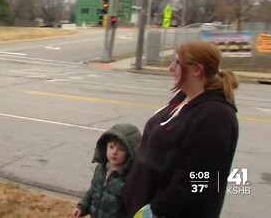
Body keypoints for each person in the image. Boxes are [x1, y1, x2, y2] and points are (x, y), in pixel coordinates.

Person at [122, 40, 239, 218]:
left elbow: (198, 181)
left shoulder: (215, 116)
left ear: (197, 70)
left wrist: (155, 211)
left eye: (177, 62)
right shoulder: (183, 99)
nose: (170, 67)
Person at [72, 124, 142, 218]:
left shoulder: (130, 179)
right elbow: (93, 191)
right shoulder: (101, 169)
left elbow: (133, 209)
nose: (114, 152)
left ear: (130, 153)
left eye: (121, 149)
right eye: (111, 147)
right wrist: (82, 207)